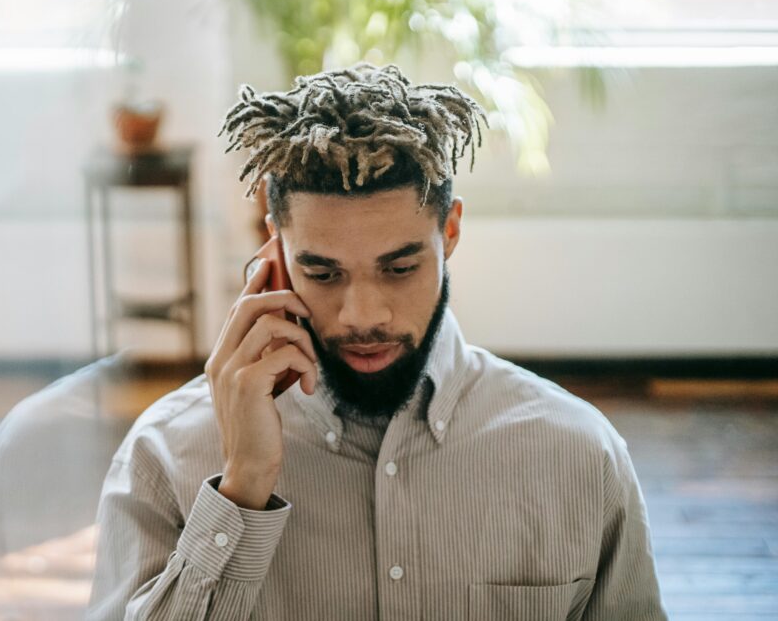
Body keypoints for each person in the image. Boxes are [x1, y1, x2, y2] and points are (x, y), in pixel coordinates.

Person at [86, 64, 667, 620]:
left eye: (399, 268)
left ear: (451, 232)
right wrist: (240, 492)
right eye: (322, 273)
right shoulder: (165, 456)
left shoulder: (578, 456)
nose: (362, 315)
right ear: (275, 250)